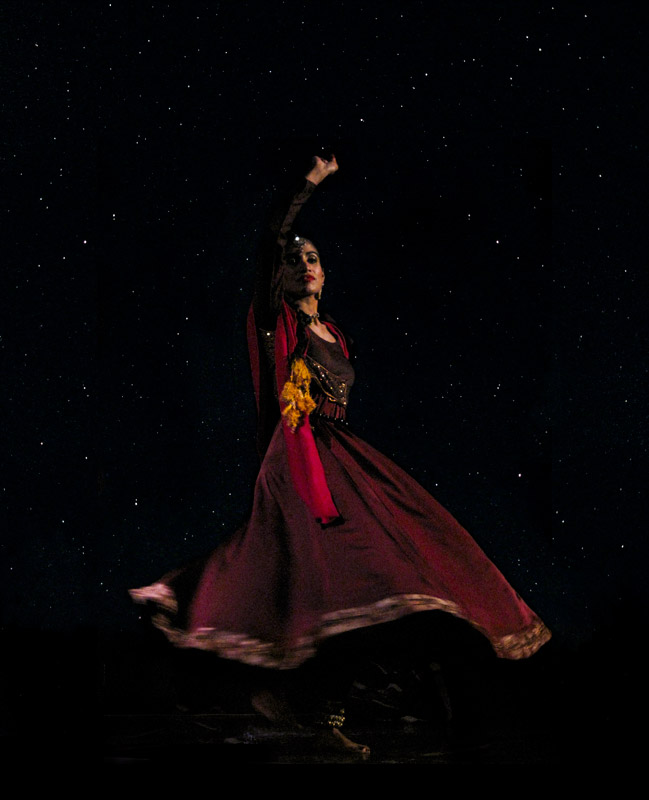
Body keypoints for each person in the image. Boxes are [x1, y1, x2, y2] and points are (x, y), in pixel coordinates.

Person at [130, 155, 551, 754]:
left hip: (350, 460)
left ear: (325, 274)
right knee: (329, 573)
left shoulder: (338, 333)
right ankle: (290, 694)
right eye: (293, 259)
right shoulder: (275, 322)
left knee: (401, 570)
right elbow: (271, 242)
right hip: (300, 459)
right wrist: (309, 184)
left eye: (313, 258)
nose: (303, 264)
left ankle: (338, 704)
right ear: (279, 276)